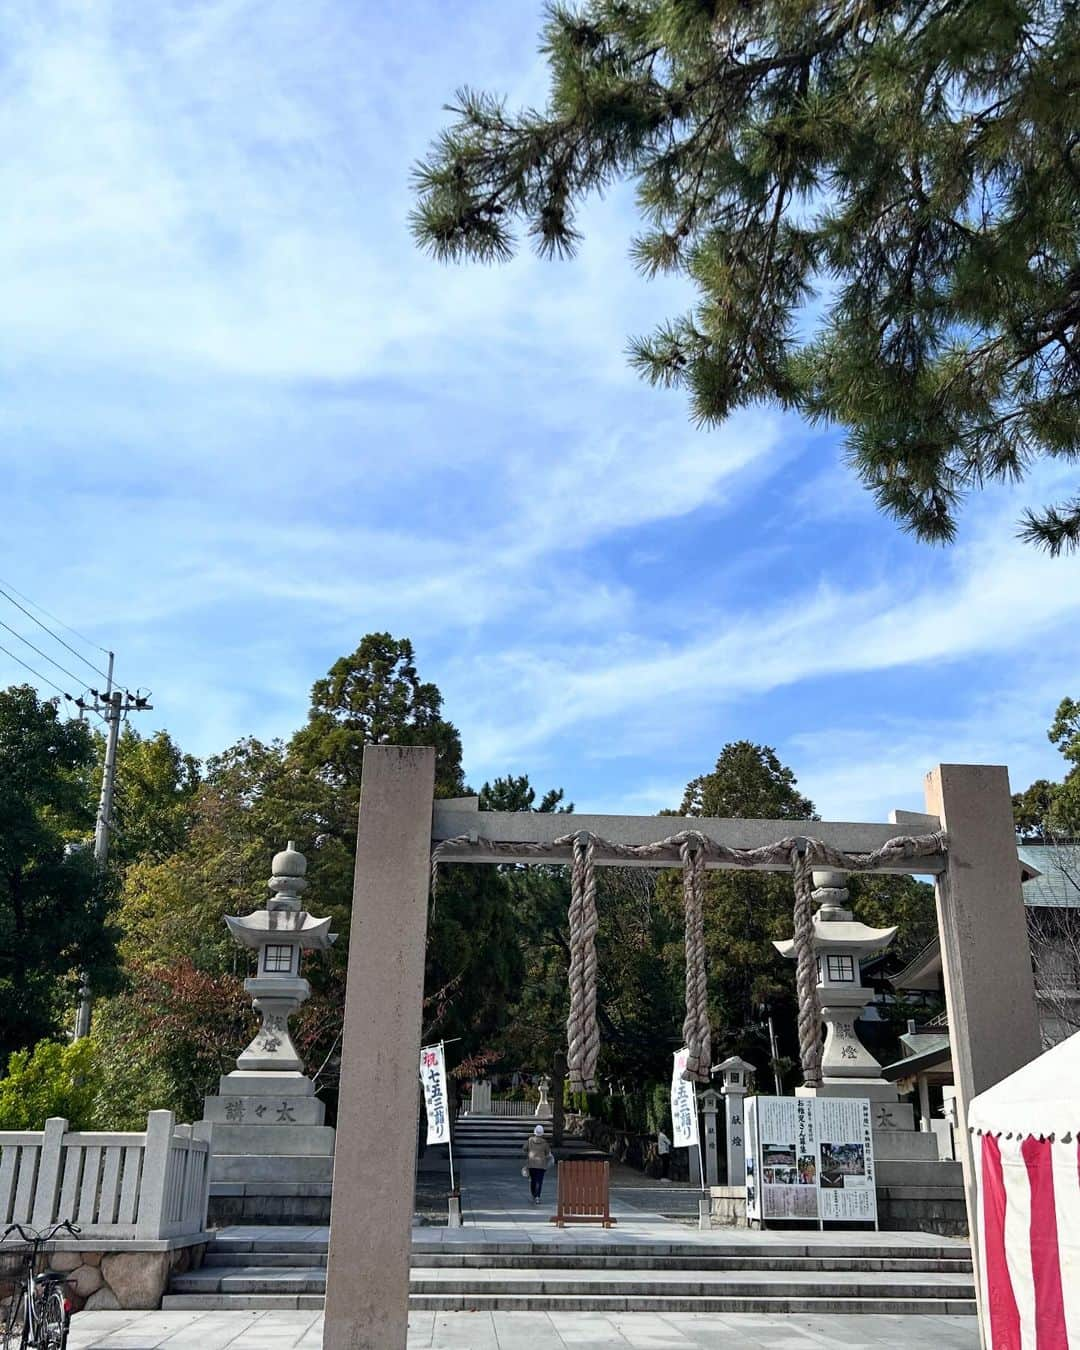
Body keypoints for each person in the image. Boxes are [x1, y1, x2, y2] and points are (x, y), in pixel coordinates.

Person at [522, 1123, 552, 1204]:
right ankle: (538, 1197)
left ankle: (533, 1195)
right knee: (539, 1181)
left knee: (533, 1180)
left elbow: (524, 1149)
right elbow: (548, 1154)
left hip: (531, 1163)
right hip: (541, 1165)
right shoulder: (545, 1143)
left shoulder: (530, 1140)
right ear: (542, 1133)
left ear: (535, 1132)